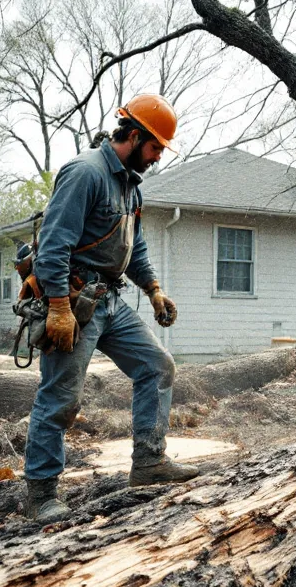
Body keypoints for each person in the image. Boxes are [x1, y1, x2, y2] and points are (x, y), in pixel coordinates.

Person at [24, 93, 192, 524]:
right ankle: (41, 493)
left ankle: (149, 463)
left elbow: (134, 247)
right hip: (74, 299)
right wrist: (58, 306)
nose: (156, 158)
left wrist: (153, 288)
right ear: (133, 136)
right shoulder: (86, 173)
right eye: (154, 147)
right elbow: (54, 247)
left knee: (157, 366)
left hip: (109, 299)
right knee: (61, 397)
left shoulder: (129, 186)